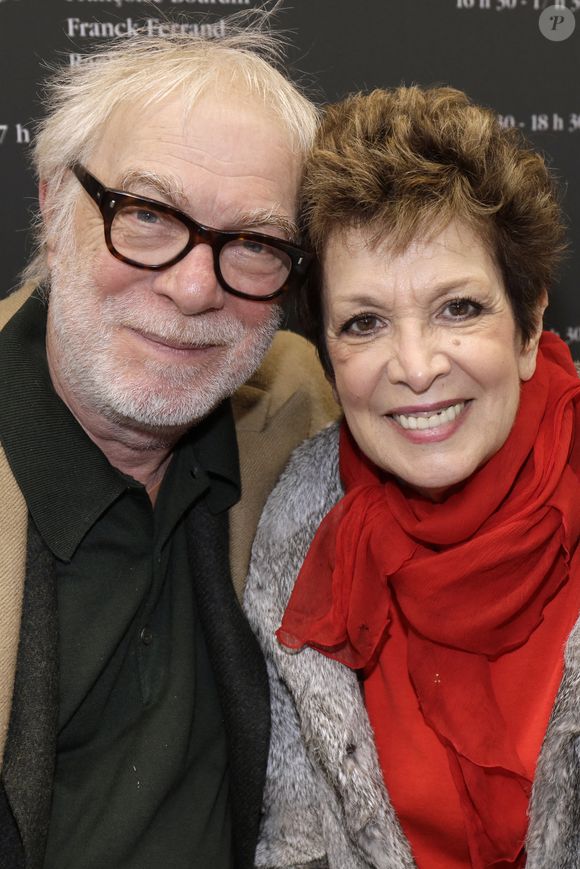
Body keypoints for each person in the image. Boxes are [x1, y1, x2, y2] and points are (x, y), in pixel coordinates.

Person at [0, 23, 337, 869]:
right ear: (52, 206)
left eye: (254, 244)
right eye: (146, 215)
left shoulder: (298, 414)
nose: (193, 289)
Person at [243, 85, 580, 869]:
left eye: (459, 308)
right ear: (328, 359)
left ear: (530, 325)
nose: (418, 367)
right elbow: (296, 847)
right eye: (364, 323)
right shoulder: (299, 535)